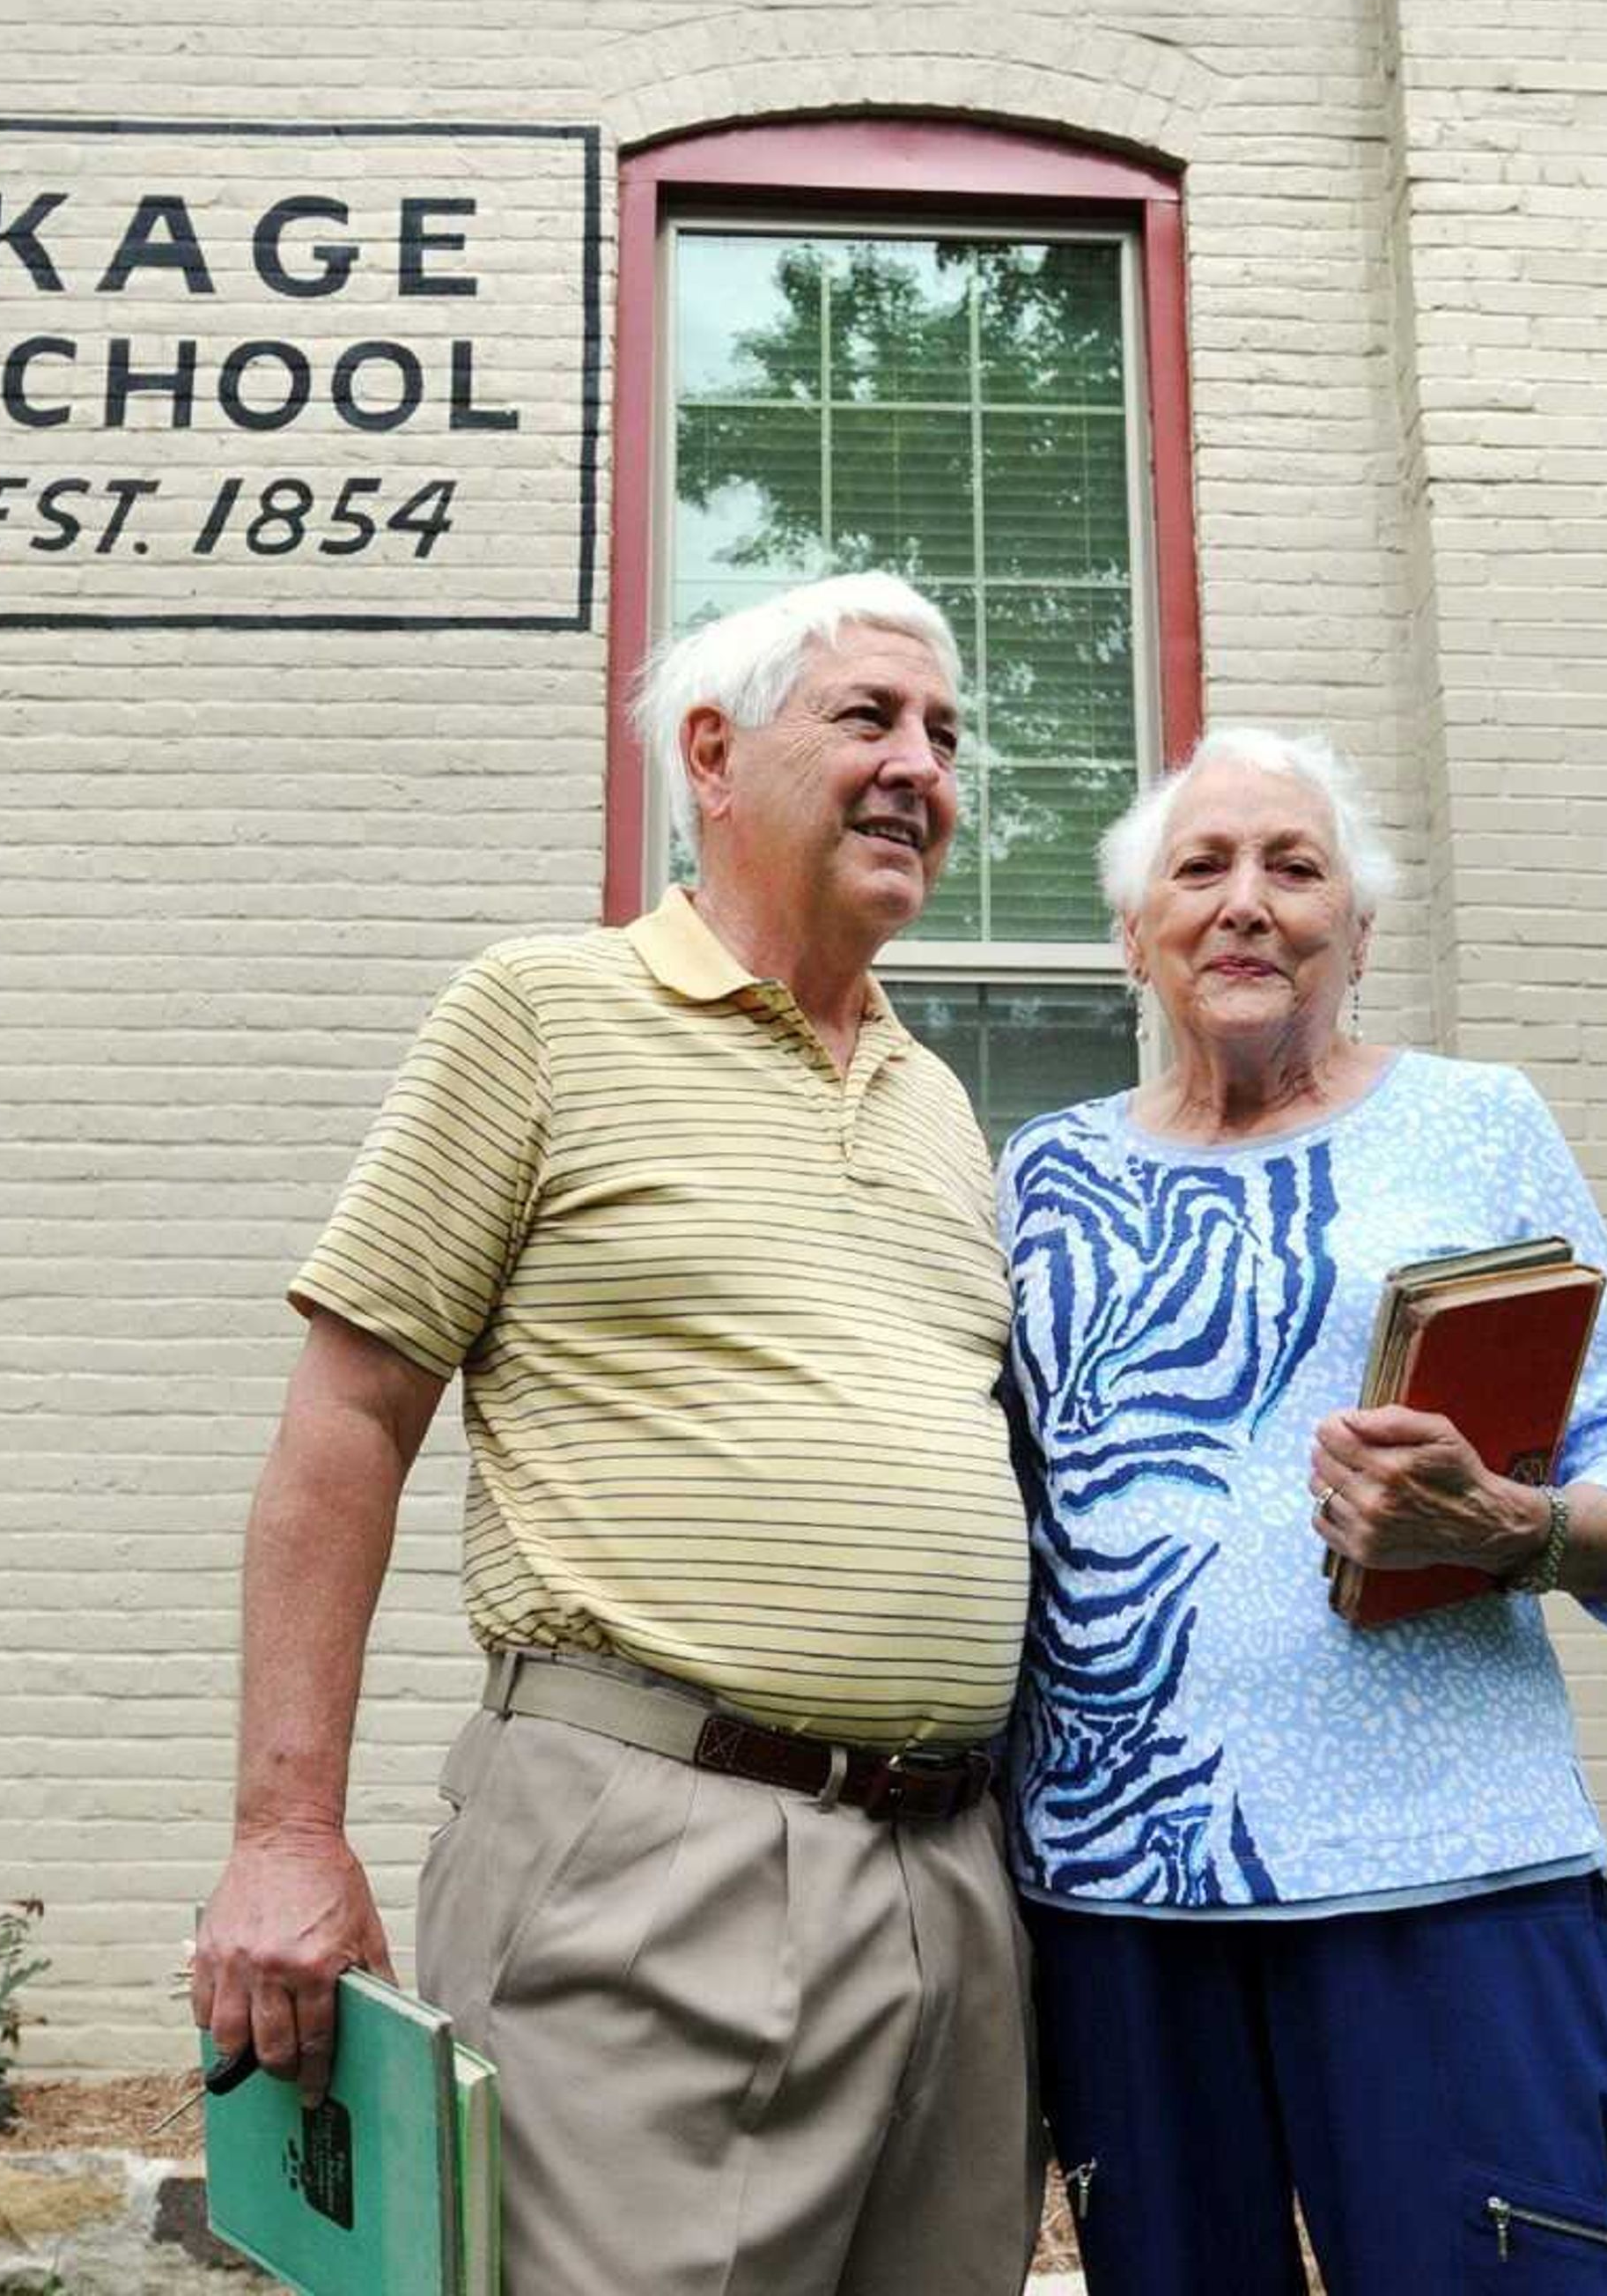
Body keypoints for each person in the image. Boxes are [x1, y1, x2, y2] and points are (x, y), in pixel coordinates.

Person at [192, 572, 1043, 2295]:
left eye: (945, 735)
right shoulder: (540, 1010)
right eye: (869, 716)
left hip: (952, 1876)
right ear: (715, 756)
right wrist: (287, 1827)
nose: (921, 766)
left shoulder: (943, 1103)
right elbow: (348, 1418)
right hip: (653, 1843)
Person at [999, 725, 1607, 2296]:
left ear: (1361, 931)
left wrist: (1508, 1526)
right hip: (1123, 1895)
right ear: (1136, 933)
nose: (1245, 902)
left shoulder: (1476, 1123)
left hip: (1451, 1878)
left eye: (1294, 866)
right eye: (1201, 867)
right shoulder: (1037, 1179)